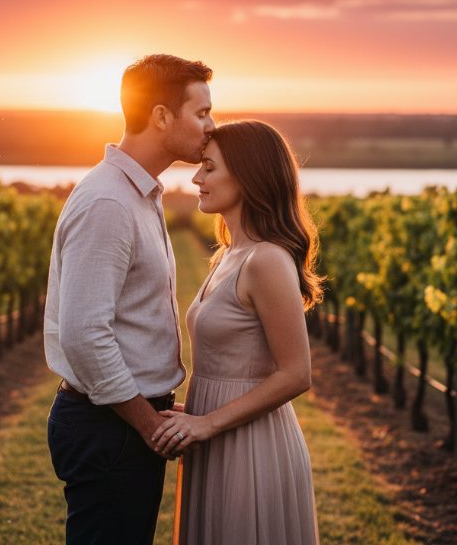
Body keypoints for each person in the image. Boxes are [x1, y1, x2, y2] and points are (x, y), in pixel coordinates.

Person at [43, 54, 215, 545]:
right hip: (111, 427)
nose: (211, 125)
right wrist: (148, 424)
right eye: (201, 113)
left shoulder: (135, 193)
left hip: (118, 420)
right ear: (161, 116)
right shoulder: (109, 202)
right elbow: (84, 336)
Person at [151, 120, 324, 545]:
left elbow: (296, 373)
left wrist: (208, 422)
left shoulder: (266, 260)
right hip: (214, 433)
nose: (196, 178)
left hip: (251, 445)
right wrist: (196, 413)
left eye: (209, 168)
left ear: (247, 176)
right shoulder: (229, 254)